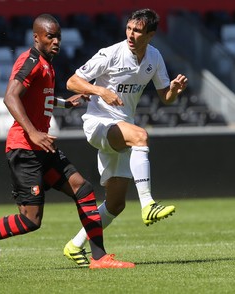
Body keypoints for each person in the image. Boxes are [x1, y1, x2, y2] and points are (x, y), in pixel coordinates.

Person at [0, 13, 134, 272]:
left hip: (42, 147)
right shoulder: (30, 61)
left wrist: (64, 102)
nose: (56, 41)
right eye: (50, 36)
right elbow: (11, 97)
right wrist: (34, 132)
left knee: (83, 189)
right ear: (36, 37)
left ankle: (99, 257)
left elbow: (38, 98)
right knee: (30, 220)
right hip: (25, 147)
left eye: (58, 36)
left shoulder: (47, 65)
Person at [63, 8, 188, 266]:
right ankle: (148, 204)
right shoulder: (110, 54)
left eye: (138, 31)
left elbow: (165, 97)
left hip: (121, 127)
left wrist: (174, 90)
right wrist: (101, 91)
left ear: (150, 35)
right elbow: (72, 82)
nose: (131, 34)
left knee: (115, 204)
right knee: (140, 136)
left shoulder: (154, 57)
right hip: (98, 123)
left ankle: (74, 245)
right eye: (129, 28)